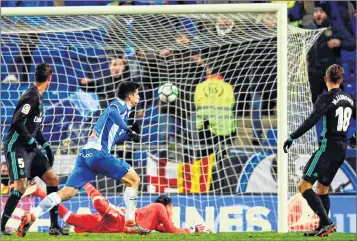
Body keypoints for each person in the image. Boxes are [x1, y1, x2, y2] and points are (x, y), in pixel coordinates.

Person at [17, 81, 149, 237]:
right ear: (130, 95)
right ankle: (130, 224)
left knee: (66, 193)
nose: (139, 97)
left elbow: (113, 137)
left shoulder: (122, 114)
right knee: (134, 180)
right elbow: (112, 112)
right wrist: (127, 128)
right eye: (138, 93)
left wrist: (129, 134)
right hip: (99, 154)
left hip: (86, 155)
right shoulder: (118, 105)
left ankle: (32, 215)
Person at [283, 64, 356, 237]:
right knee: (322, 188)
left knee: (303, 185)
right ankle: (323, 226)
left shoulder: (326, 98)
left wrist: (292, 137)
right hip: (342, 149)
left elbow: (311, 120)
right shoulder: (350, 98)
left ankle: (328, 222)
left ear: (326, 79)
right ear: (342, 79)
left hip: (327, 147)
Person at [1, 63, 66, 236]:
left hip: (30, 146)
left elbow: (34, 128)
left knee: (52, 179)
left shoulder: (38, 96)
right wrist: (30, 140)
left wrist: (45, 145)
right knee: (21, 187)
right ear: (50, 79)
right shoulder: (31, 96)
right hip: (17, 146)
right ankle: (1, 227)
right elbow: (17, 121)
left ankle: (54, 226)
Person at [26, 182, 207, 234]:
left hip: (108, 227)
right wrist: (192, 229)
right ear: (166, 205)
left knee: (70, 218)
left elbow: (165, 230)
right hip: (120, 219)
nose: (172, 212)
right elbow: (172, 230)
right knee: (101, 205)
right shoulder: (159, 207)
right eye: (172, 208)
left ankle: (39, 191)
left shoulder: (155, 221)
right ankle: (86, 184)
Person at [306, 2, 355, 103]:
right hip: (315, 72)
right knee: (313, 103)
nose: (318, 14)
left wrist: (340, 42)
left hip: (333, 72)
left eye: (321, 12)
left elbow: (353, 43)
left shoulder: (336, 28)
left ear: (327, 13)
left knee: (338, 102)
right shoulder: (309, 29)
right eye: (315, 12)